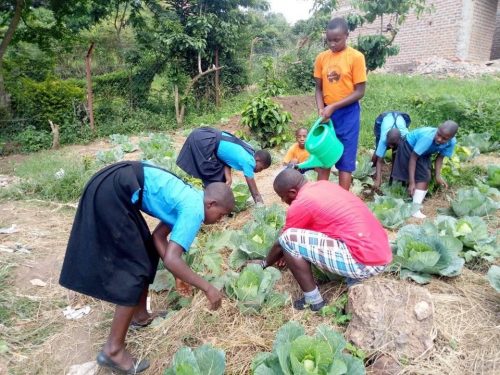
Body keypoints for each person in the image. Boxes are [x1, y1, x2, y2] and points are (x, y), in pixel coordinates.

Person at [59, 161, 235, 374]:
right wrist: (208, 288)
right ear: (211, 204)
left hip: (113, 182)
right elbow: (172, 259)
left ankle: (140, 315)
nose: (221, 220)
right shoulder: (194, 210)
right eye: (222, 214)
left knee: (145, 252)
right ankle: (113, 350)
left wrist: (178, 274)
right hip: (113, 191)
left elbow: (158, 238)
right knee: (134, 267)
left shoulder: (191, 198)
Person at [258, 168, 391, 311]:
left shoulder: (301, 203)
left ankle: (314, 301)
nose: (282, 201)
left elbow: (283, 241)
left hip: (364, 263)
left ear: (292, 192)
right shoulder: (324, 185)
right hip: (381, 255)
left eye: (282, 197)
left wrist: (264, 263)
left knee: (288, 239)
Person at [314, 17, 367, 190]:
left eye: (337, 40)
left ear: (346, 35)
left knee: (346, 160)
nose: (332, 44)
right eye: (329, 40)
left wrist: (334, 107)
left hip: (348, 113)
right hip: (327, 114)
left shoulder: (356, 57)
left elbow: (360, 91)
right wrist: (322, 109)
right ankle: (321, 199)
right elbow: (318, 90)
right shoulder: (321, 58)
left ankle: (342, 201)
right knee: (324, 155)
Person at [177, 126, 271, 204]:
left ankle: (212, 202)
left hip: (205, 134)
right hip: (204, 140)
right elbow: (255, 192)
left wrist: (228, 178)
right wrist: (261, 206)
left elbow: (227, 158)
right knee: (213, 177)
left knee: (221, 178)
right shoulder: (249, 162)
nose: (259, 171)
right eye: (261, 168)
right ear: (257, 160)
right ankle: (209, 204)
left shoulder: (249, 150)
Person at [391, 120, 458, 219]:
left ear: (451, 138)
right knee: (422, 177)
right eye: (438, 134)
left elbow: (440, 158)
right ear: (437, 129)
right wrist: (412, 182)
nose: (439, 139)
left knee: (425, 176)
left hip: (425, 152)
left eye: (444, 138)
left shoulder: (451, 143)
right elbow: (413, 158)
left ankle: (414, 206)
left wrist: (438, 176)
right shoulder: (427, 137)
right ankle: (415, 209)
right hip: (409, 146)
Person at [372, 111, 411, 189]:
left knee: (398, 152)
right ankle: (372, 166)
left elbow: (408, 157)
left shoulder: (406, 136)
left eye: (392, 145)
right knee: (378, 152)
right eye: (389, 144)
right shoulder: (383, 139)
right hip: (384, 118)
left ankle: (395, 173)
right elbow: (380, 161)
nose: (390, 147)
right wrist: (378, 179)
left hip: (400, 118)